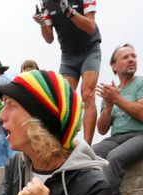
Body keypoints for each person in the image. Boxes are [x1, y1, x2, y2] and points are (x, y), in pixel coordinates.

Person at [34, 0, 101, 143]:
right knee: (62, 100)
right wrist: (41, 23)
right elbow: (49, 38)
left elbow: (90, 27)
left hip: (90, 50)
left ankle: (87, 146)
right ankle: (63, 144)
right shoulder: (46, 3)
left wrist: (70, 12)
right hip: (68, 56)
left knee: (87, 94)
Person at [92, 43, 143, 195]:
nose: (131, 60)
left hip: (141, 134)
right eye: (125, 57)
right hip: (117, 137)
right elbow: (102, 129)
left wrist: (116, 99)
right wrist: (108, 106)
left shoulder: (142, 82)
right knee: (90, 154)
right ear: (114, 66)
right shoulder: (110, 92)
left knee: (115, 156)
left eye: (133, 56)